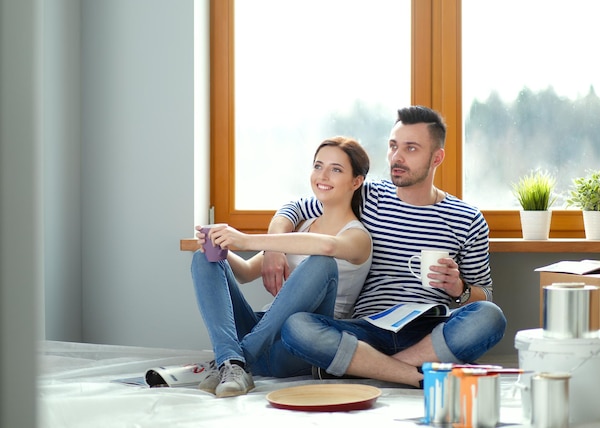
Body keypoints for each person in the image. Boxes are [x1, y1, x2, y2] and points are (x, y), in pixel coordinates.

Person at [264, 105, 507, 388]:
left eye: (411, 149)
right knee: (297, 327)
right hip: (366, 329)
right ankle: (412, 373)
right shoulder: (367, 194)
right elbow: (293, 208)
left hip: (428, 331)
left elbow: (484, 296)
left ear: (436, 157)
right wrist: (273, 249)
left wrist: (459, 289)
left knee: (490, 317)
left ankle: (371, 369)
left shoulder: (467, 219)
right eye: (393, 146)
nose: (397, 157)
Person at [190, 136, 373, 398]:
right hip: (262, 330)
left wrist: (247, 239)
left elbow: (327, 248)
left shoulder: (358, 237)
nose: (323, 175)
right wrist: (220, 245)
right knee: (203, 258)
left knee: (321, 263)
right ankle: (232, 361)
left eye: (336, 169)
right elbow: (244, 273)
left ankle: (237, 359)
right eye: (318, 166)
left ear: (356, 181)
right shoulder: (300, 228)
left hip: (298, 343)